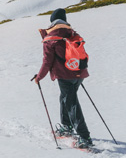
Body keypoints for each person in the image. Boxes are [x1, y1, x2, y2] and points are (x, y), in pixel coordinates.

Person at [32, 8, 92, 149]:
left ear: (52, 21)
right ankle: (67, 126)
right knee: (65, 98)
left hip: (65, 75)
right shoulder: (72, 33)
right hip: (79, 72)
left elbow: (47, 62)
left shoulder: (51, 37)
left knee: (71, 103)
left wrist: (39, 77)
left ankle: (85, 137)